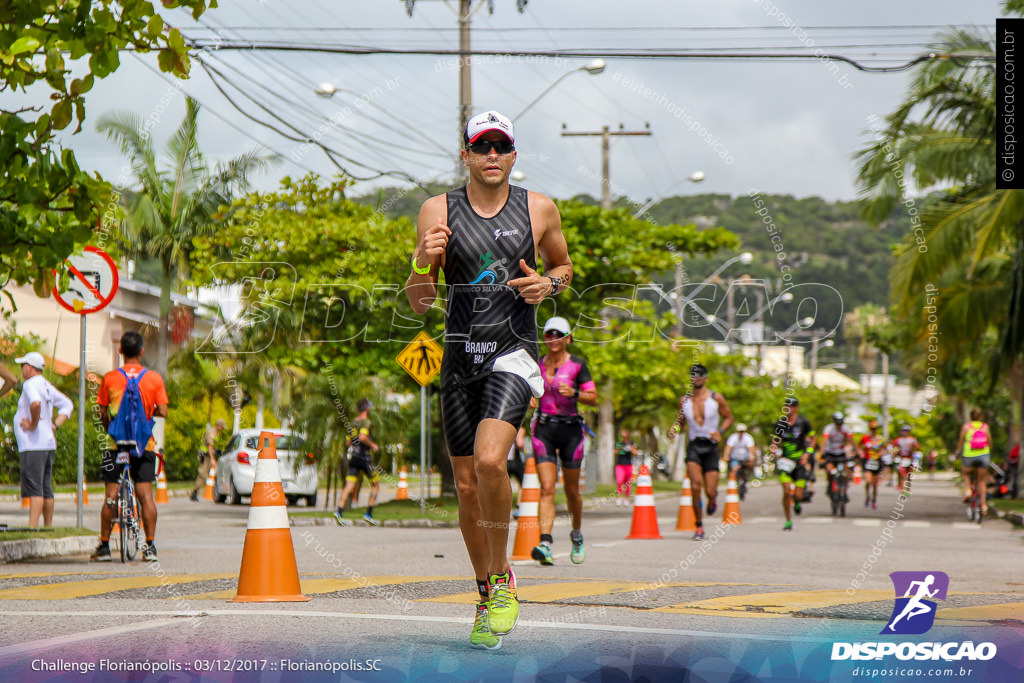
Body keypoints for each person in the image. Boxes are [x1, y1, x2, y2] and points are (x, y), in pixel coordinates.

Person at [405, 110, 571, 650]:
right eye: (483, 146)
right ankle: (486, 593)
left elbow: (565, 268)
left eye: (502, 146)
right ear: (467, 155)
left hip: (513, 355)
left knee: (491, 462)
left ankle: (502, 577)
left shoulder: (538, 207)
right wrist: (418, 265)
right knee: (469, 489)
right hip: (457, 360)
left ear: (514, 155)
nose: (492, 155)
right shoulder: (437, 210)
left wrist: (547, 285)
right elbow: (419, 304)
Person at [92, 332, 168, 561]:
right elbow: (163, 411)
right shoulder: (154, 378)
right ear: (142, 351)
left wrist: (111, 428)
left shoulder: (110, 378)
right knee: (145, 495)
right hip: (144, 445)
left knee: (110, 495)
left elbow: (102, 411)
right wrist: (146, 413)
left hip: (114, 445)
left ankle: (104, 547)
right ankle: (150, 547)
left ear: (120, 351)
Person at [529, 316, 598, 567]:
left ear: (568, 338)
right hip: (544, 428)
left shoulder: (578, 365)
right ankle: (545, 543)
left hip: (571, 431)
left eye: (559, 334)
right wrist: (530, 398)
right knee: (547, 488)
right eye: (549, 334)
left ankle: (577, 535)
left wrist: (576, 393)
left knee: (571, 490)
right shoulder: (535, 365)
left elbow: (593, 397)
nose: (553, 339)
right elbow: (528, 391)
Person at [668, 363, 734, 541]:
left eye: (699, 375)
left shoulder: (716, 398)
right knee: (695, 487)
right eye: (693, 375)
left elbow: (729, 417)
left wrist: (720, 431)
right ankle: (699, 525)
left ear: (706, 378)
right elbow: (680, 422)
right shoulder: (684, 401)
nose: (695, 378)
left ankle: (712, 499)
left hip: (711, 446)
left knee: (710, 491)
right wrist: (674, 429)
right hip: (694, 446)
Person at [13, 352, 73, 528]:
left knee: (35, 487)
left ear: (30, 367)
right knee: (46, 488)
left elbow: (36, 404)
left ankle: (33, 526)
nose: (22, 369)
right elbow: (67, 404)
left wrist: (32, 424)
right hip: (47, 443)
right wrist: (54, 425)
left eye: (23, 365)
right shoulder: (47, 385)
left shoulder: (30, 384)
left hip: (33, 445)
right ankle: (47, 526)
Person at [334, 398, 381, 526]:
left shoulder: (353, 423)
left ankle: (339, 511)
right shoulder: (366, 422)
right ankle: (369, 513)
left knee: (349, 486)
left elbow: (348, 442)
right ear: (366, 408)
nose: (370, 409)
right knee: (375, 485)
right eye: (369, 407)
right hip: (365, 459)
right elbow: (363, 437)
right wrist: (372, 445)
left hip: (354, 458)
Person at [771, 397, 813, 531]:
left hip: (799, 462)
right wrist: (774, 449)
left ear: (796, 408)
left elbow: (813, 439)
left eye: (791, 406)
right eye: (786, 405)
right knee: (786, 491)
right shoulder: (780, 423)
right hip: (785, 462)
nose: (788, 408)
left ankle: (797, 502)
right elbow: (776, 441)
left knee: (799, 495)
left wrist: (807, 454)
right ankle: (788, 520)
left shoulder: (803, 422)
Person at [957, 409, 993, 516]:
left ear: (970, 417)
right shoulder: (985, 426)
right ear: (981, 417)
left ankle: (968, 490)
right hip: (983, 455)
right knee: (981, 481)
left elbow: (961, 441)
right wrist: (989, 451)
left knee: (966, 473)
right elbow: (989, 441)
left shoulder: (966, 427)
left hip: (969, 455)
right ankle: (983, 505)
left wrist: (958, 452)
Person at [819, 411, 854, 503]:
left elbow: (851, 441)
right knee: (829, 470)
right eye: (837, 423)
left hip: (841, 453)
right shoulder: (829, 428)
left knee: (846, 471)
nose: (839, 425)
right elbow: (824, 442)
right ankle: (830, 485)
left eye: (841, 423)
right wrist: (821, 454)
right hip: (830, 453)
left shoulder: (846, 429)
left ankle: (845, 490)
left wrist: (856, 453)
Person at [191, 418, 226, 501]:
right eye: (222, 427)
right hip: (204, 456)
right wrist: (213, 459)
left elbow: (212, 446)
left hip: (207, 456)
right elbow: (209, 446)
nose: (223, 429)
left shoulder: (215, 432)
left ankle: (195, 492)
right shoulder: (211, 432)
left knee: (205, 474)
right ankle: (194, 492)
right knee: (203, 474)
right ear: (218, 425)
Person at [857, 420, 885, 509]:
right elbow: (858, 446)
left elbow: (887, 449)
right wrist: (860, 453)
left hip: (877, 461)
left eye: (875, 429)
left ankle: (874, 500)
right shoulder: (865, 438)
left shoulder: (880, 439)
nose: (873, 430)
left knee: (875, 483)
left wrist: (882, 453)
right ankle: (867, 496)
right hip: (867, 461)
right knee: (868, 481)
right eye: (872, 429)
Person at [723, 423, 755, 496]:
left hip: (745, 458)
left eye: (742, 431)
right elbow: (728, 448)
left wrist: (752, 456)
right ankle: (735, 484)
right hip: (735, 458)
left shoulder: (748, 438)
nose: (741, 433)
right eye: (740, 431)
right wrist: (726, 456)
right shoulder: (733, 437)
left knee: (750, 465)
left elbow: (751, 449)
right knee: (734, 470)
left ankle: (747, 480)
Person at [614, 428, 639, 506]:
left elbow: (636, 453)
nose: (623, 434)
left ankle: (627, 499)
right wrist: (619, 449)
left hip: (628, 465)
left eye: (625, 432)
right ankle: (619, 498)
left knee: (627, 483)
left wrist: (631, 448)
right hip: (620, 465)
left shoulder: (632, 443)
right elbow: (614, 452)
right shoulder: (619, 444)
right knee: (619, 481)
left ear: (628, 434)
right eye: (622, 433)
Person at [891, 425, 919, 493]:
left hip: (910, 459)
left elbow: (917, 448)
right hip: (902, 459)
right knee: (902, 474)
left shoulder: (912, 439)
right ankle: (903, 489)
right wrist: (894, 454)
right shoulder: (898, 440)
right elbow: (894, 448)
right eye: (904, 431)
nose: (905, 432)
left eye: (907, 431)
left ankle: (908, 487)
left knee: (909, 475)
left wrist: (913, 447)